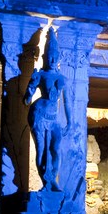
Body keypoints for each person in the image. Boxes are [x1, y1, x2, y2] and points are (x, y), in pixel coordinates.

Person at [23, 27, 71, 192]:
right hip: (38, 115)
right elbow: (27, 100)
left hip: (54, 118)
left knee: (55, 149)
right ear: (44, 57)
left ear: (58, 58)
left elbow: (67, 103)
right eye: (49, 57)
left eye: (54, 57)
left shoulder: (61, 78)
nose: (52, 60)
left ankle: (53, 180)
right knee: (42, 150)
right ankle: (46, 182)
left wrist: (70, 123)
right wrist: (31, 85)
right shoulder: (41, 75)